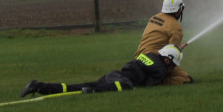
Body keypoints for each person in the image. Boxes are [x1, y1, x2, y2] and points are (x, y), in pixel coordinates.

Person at [19, 44, 183, 96]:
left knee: (74, 87)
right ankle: (92, 91)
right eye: (174, 64)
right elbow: (148, 86)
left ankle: (39, 86)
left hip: (113, 75)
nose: (173, 68)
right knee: (128, 87)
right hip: (121, 81)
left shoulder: (149, 54)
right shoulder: (161, 69)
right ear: (168, 60)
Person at [134, 0, 194, 85]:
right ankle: (156, 81)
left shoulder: (154, 18)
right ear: (178, 10)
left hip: (139, 58)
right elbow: (172, 57)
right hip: (154, 62)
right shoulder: (176, 27)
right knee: (185, 78)